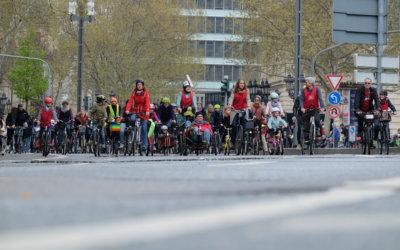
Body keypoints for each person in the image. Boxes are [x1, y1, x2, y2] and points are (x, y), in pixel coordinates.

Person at [125, 79, 151, 151]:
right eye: (138, 85)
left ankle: (144, 145)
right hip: (135, 111)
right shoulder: (134, 93)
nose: (139, 86)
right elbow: (130, 101)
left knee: (144, 128)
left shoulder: (145, 93)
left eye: (140, 85)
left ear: (143, 86)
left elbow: (147, 102)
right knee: (132, 119)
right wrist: (127, 109)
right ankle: (133, 132)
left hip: (144, 113)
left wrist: (147, 111)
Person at [354, 77, 380, 144]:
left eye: (368, 83)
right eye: (366, 83)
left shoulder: (373, 90)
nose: (367, 84)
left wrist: (377, 109)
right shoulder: (360, 90)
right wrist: (357, 109)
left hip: (370, 109)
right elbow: (356, 100)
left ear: (371, 84)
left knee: (375, 123)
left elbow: (377, 100)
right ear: (364, 83)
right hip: (361, 109)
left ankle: (374, 139)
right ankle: (359, 136)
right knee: (360, 122)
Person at [300, 77, 325, 143]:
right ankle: (306, 138)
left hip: (315, 108)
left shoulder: (317, 89)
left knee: (317, 120)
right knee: (305, 124)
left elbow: (320, 98)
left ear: (311, 83)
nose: (306, 83)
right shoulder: (303, 90)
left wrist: (322, 107)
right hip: (306, 109)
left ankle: (317, 130)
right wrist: (302, 108)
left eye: (307, 82)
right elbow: (301, 99)